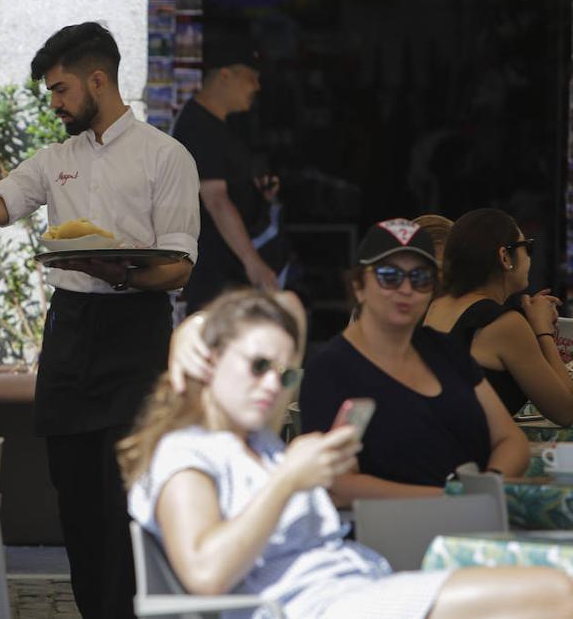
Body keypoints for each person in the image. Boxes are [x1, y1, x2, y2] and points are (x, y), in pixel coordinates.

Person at [0, 21, 200, 619]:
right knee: (74, 501)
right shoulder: (54, 160)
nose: (54, 103)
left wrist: (120, 273)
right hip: (69, 330)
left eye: (60, 89)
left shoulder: (165, 155)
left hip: (137, 333)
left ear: (98, 80)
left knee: (124, 504)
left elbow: (178, 269)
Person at [122, 289, 573, 619]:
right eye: (257, 366)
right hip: (319, 605)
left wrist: (200, 329)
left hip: (362, 585)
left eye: (284, 374)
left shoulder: (255, 442)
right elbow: (205, 573)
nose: (271, 385)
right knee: (555, 594)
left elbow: (288, 306)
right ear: (210, 361)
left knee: (556, 586)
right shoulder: (188, 453)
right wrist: (288, 481)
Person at [298, 219, 528, 503]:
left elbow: (511, 440)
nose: (406, 288)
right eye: (389, 276)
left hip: (473, 519)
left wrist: (485, 488)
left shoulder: (446, 351)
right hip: (387, 527)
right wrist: (450, 500)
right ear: (359, 286)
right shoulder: (331, 369)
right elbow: (337, 484)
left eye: (420, 278)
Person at [423, 208, 572, 423]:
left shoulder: (438, 305)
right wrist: (542, 329)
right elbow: (566, 411)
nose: (530, 257)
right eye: (527, 247)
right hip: (468, 444)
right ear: (504, 257)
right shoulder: (504, 325)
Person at [172, 33, 283, 311]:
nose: (256, 86)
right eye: (251, 77)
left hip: (227, 273)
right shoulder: (198, 126)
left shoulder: (220, 125)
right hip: (215, 275)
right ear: (225, 75)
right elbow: (216, 200)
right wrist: (252, 262)